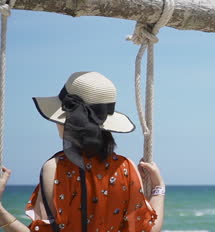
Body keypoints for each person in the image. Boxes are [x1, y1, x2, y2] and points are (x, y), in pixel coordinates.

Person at [0, 71, 165, 232]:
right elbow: (145, 229)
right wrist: (158, 188)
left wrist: (2, 214)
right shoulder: (126, 168)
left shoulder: (55, 168)